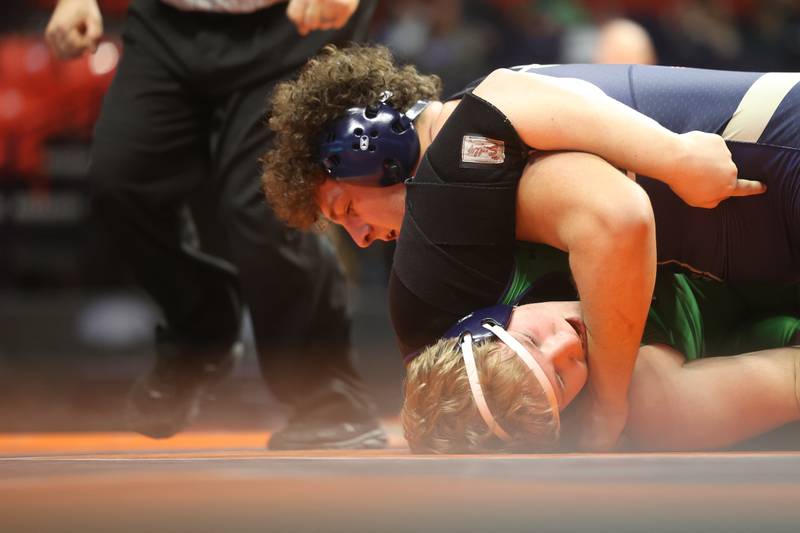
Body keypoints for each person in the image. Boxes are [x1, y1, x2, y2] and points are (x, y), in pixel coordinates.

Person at [262, 44, 800, 450]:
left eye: (344, 209)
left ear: (368, 146)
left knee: (647, 405)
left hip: (779, 174)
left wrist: (673, 156)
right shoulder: (482, 151)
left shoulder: (462, 158)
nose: (360, 236)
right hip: (764, 237)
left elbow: (615, 217)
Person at [44, 0, 386, 450]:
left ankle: (327, 397)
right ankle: (201, 328)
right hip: (167, 23)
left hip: (290, 23)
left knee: (267, 204)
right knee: (121, 180)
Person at [401, 274, 800, 453]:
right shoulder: (658, 405)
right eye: (559, 379)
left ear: (489, 314)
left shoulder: (516, 243)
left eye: (530, 339)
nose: (568, 344)